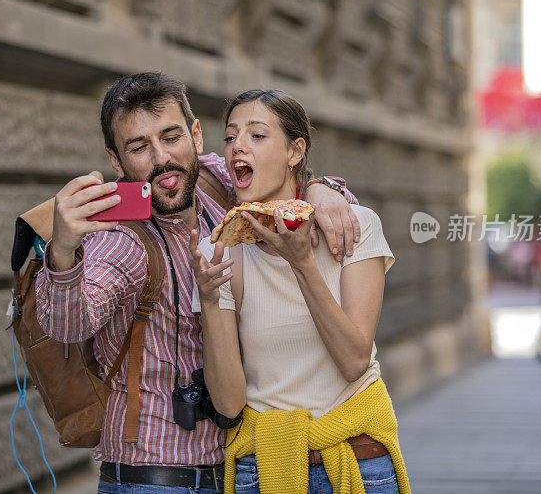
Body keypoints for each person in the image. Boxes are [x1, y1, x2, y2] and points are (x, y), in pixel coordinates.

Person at [35, 72, 363, 493]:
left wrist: (321, 189)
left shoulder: (217, 184)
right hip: (153, 478)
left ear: (196, 136)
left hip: (233, 471)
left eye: (171, 137)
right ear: (116, 161)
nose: (161, 160)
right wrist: (63, 253)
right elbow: (70, 326)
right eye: (138, 147)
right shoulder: (118, 242)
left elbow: (285, 178)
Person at [191, 89, 410, 494]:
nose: (237, 145)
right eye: (230, 137)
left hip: (359, 462)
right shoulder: (217, 250)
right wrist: (208, 300)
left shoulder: (354, 227)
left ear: (295, 151)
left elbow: (354, 360)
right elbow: (228, 404)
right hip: (264, 468)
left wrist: (302, 262)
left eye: (257, 135)